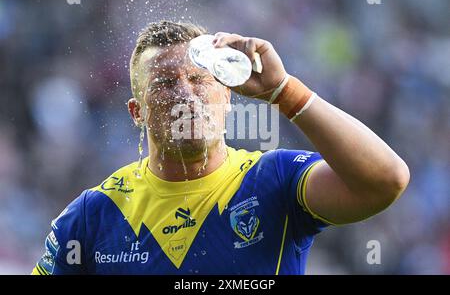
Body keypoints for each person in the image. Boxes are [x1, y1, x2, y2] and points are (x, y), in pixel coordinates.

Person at [32, 21, 409, 275]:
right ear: (137, 112)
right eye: (164, 83)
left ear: (227, 97)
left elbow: (385, 180)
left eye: (199, 78)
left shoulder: (272, 180)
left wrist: (285, 92)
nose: (185, 93)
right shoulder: (94, 214)